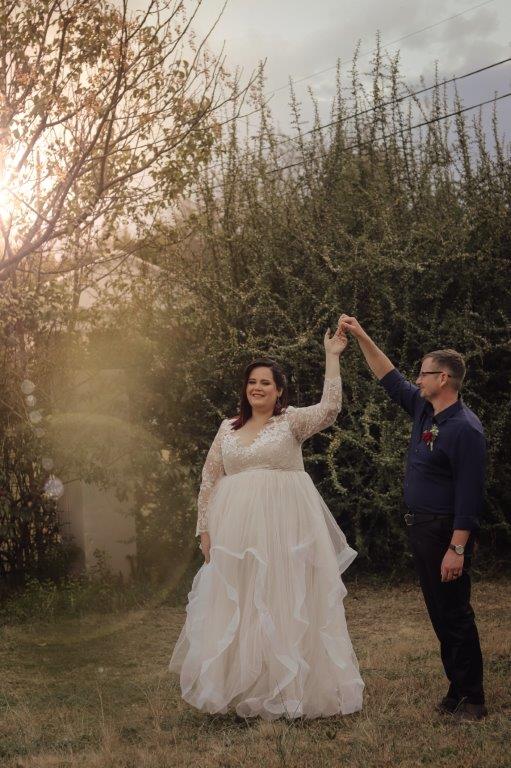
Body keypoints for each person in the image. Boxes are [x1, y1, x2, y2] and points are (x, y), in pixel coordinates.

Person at [169, 325, 364, 720]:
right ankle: (241, 688)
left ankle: (288, 689)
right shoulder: (227, 428)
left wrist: (332, 357)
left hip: (283, 528)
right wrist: (204, 529)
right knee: (241, 602)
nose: (257, 388)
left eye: (265, 383)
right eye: (252, 382)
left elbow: (330, 409)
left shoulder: (290, 422)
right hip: (235, 531)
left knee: (281, 599)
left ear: (279, 391)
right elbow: (210, 478)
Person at [338, 314, 487, 722]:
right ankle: (456, 691)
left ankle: (473, 699)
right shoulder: (425, 410)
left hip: (446, 532)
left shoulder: (466, 429)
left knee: (455, 614)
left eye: (424, 374)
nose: (417, 380)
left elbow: (470, 496)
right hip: (422, 528)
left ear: (444, 378)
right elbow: (388, 375)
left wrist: (457, 548)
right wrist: (361, 335)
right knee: (440, 613)